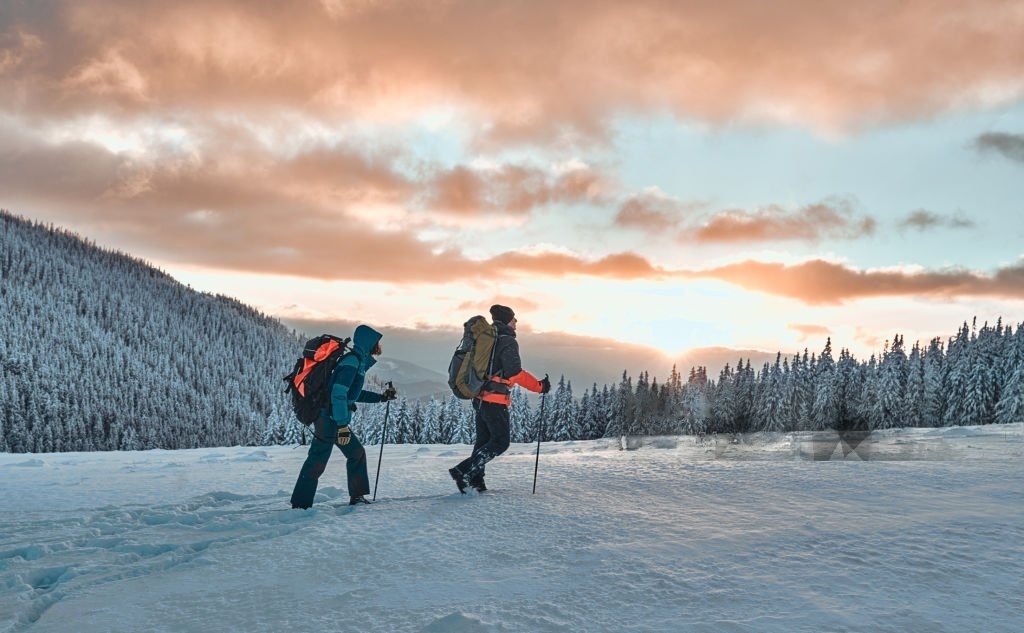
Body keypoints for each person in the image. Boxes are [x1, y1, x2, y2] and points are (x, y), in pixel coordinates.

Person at [290, 325, 398, 509]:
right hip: (329, 419)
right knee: (318, 459)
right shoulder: (352, 362)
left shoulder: (356, 362)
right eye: (376, 341)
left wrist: (381, 397)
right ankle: (301, 504)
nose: (379, 345)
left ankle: (355, 496)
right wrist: (341, 425)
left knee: (354, 453)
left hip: (331, 418)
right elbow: (338, 394)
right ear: (368, 343)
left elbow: (351, 394)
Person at [449, 304, 550, 493]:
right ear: (507, 320)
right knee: (500, 442)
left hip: (479, 398)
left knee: (483, 441)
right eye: (514, 319)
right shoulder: (507, 341)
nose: (516, 323)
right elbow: (514, 373)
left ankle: (475, 481)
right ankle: (464, 471)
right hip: (495, 401)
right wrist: (539, 386)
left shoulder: (488, 338)